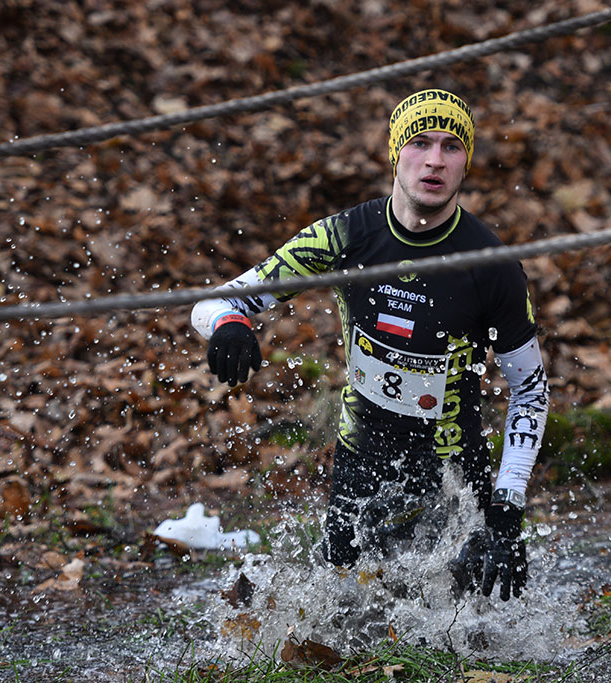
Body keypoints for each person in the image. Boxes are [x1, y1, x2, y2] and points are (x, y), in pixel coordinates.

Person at [190, 89, 549, 601]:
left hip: (454, 481)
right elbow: (213, 303)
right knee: (338, 631)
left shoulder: (493, 265)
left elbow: (530, 392)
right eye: (420, 143)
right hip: (361, 467)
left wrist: (508, 504)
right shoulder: (346, 236)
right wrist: (230, 324)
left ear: (466, 162)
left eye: (451, 147)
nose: (434, 160)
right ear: (394, 153)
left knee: (455, 646)